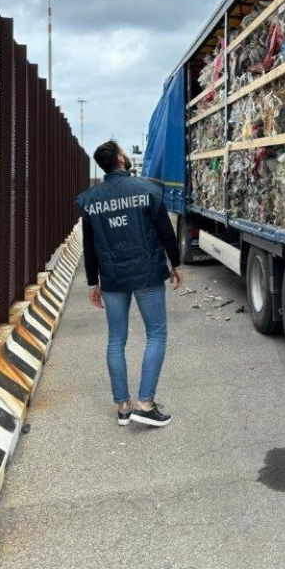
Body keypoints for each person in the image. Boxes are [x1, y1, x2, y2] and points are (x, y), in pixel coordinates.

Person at [76, 140, 183, 428]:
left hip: (112, 277)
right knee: (156, 334)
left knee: (115, 339)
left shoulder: (91, 199)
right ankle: (145, 404)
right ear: (121, 158)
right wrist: (175, 263)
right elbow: (165, 231)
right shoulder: (147, 190)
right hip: (147, 272)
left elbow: (90, 246)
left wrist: (92, 282)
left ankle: (123, 407)